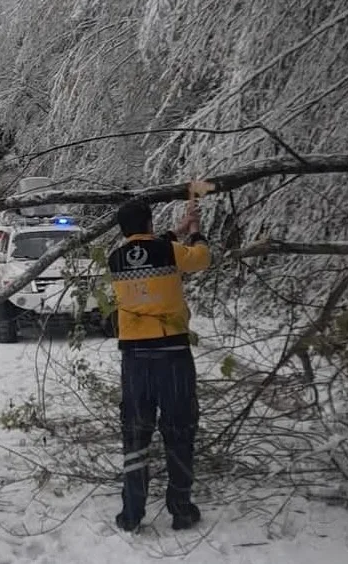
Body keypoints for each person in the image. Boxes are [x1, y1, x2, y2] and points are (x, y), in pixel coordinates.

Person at [107, 185, 212, 532]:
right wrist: (194, 232)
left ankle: (132, 513)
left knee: (136, 431)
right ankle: (180, 508)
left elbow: (145, 249)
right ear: (150, 224)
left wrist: (176, 230)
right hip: (172, 356)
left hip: (135, 359)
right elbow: (201, 259)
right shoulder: (169, 251)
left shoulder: (116, 258)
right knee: (179, 429)